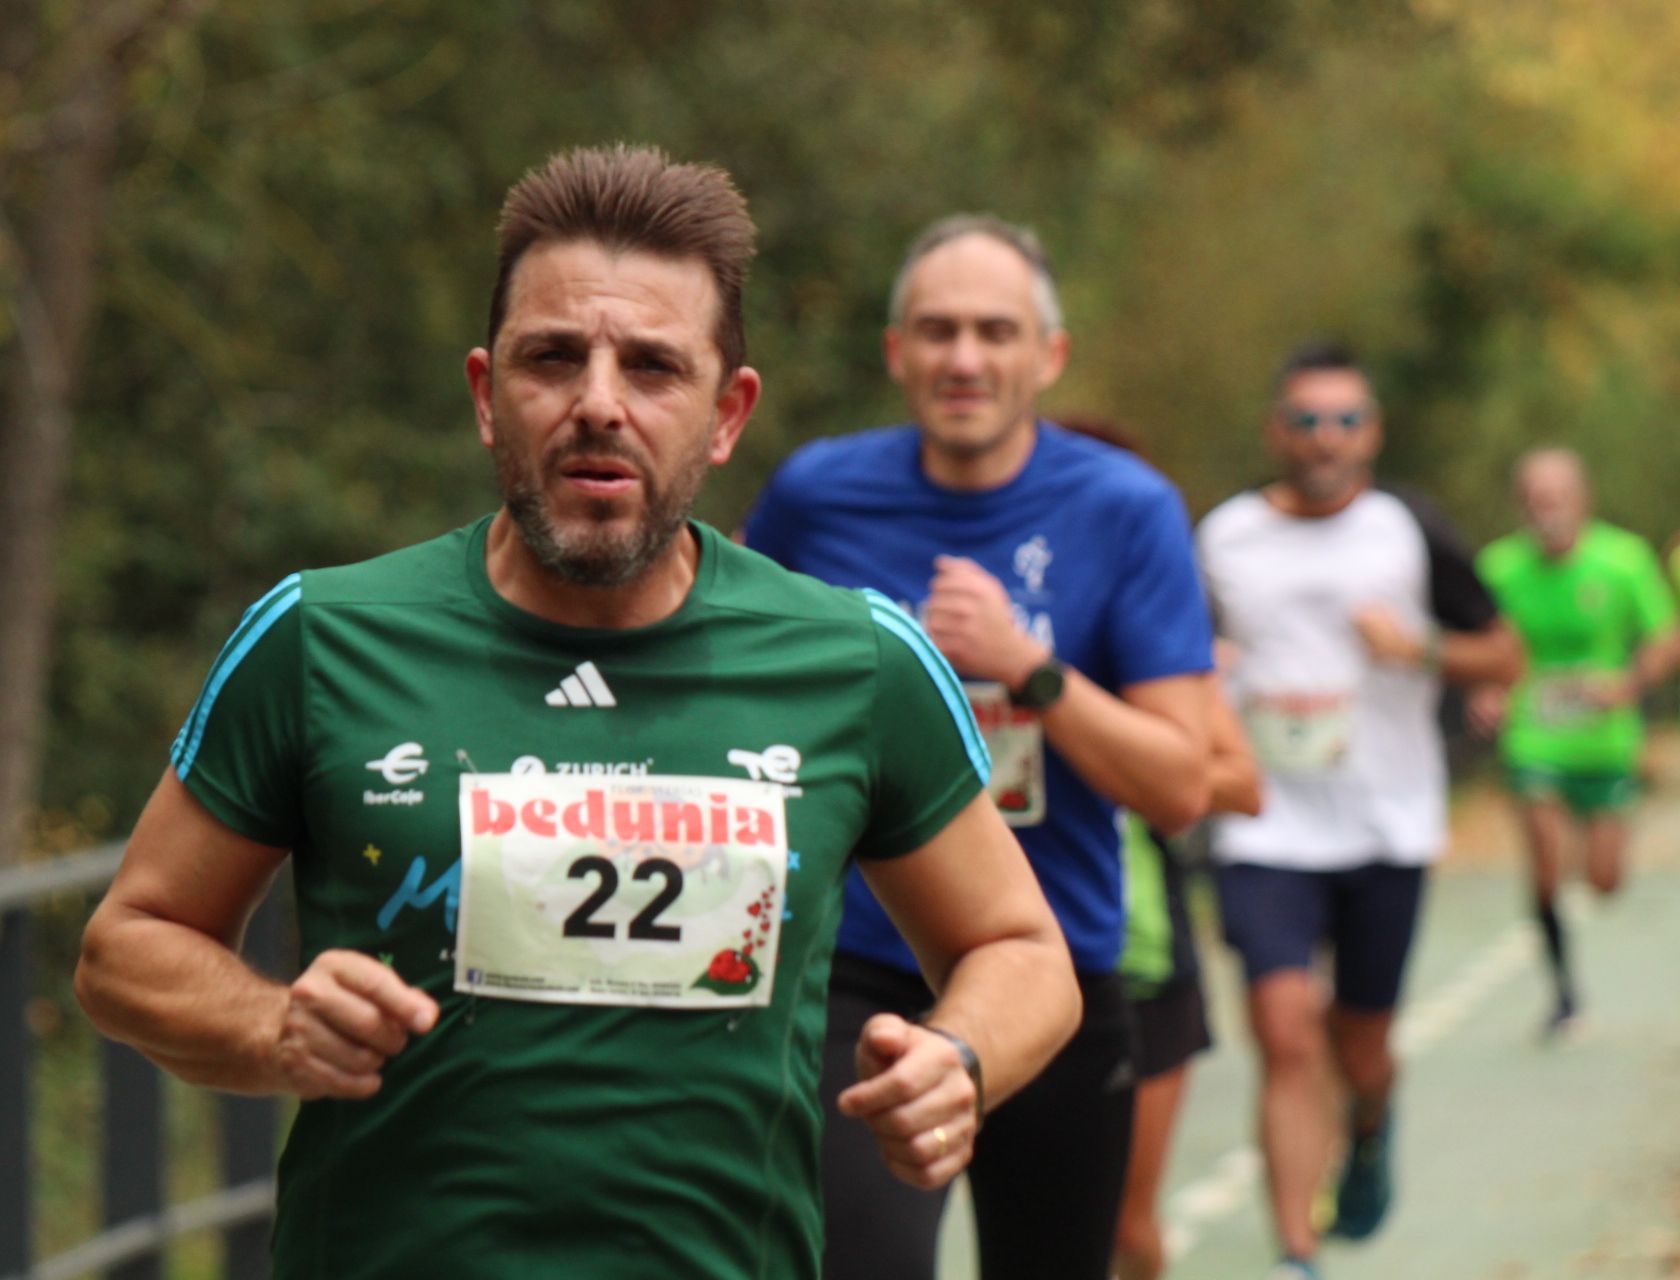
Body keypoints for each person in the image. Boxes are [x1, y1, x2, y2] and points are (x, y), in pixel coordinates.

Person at [73, 147, 1082, 1280]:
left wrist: (961, 1054)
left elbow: (1022, 947)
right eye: (553, 358)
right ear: (485, 395)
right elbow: (126, 948)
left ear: (725, 413)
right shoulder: (319, 636)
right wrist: (270, 1026)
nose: (599, 402)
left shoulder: (855, 659)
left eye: (653, 366)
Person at [743, 217, 1216, 1280]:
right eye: (938, 330)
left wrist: (1027, 667)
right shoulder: (818, 496)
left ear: (1047, 356)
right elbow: (723, 679)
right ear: (895, 351)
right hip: (858, 964)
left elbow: (1182, 785)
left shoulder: (1125, 508)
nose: (965, 358)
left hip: (1054, 969)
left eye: (995, 332)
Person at [1195, 341, 1522, 1280]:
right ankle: (1297, 1255)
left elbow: (1505, 658)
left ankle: (1371, 1124)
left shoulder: (1408, 530)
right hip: (1266, 821)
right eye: (1305, 420)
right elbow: (1175, 652)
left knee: (1361, 1043)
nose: (1324, 438)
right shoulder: (1223, 537)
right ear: (1276, 431)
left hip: (1387, 822)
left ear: (1371, 433)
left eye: (1344, 420)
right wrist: (1203, 671)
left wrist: (1418, 647)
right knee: (1284, 1029)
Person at [1053, 420, 1266, 1280]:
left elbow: (1240, 783)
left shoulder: (1157, 654)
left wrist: (1122, 756)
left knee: (1125, 1226)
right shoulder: (982, 623)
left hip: (1137, 954)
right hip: (973, 949)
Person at [1470, 447, 1679, 1034]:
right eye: (1536, 499)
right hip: (1535, 737)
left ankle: (1599, 855)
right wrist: (1488, 691)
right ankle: (1562, 991)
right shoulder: (1499, 568)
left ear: (1582, 499)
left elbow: (1665, 637)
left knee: (1604, 881)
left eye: (1557, 497)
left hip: (1605, 742)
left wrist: (1629, 682)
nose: (1547, 510)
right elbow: (1484, 650)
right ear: (1521, 506)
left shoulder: (1623, 559)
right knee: (1543, 861)